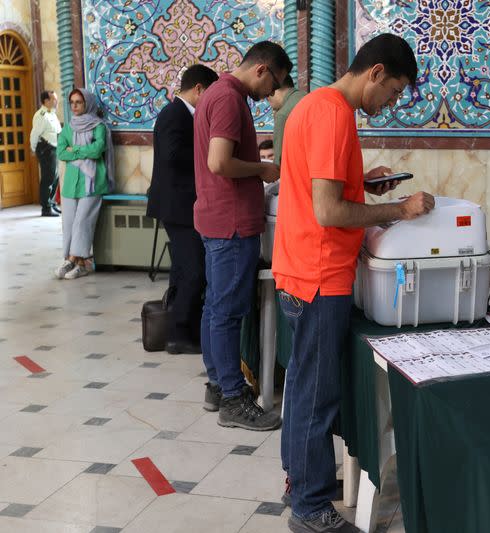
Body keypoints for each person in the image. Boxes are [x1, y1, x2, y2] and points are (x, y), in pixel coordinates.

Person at [272, 33, 434, 533]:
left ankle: (297, 481)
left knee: (300, 389)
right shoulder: (334, 113)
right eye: (395, 91)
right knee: (317, 397)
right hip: (320, 275)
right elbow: (328, 210)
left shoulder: (313, 104)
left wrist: (365, 183)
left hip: (300, 267)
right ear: (376, 73)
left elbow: (320, 186)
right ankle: (312, 508)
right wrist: (399, 210)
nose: (392, 103)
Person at [194, 41, 290, 429]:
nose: (273, 94)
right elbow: (219, 162)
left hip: (215, 218)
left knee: (215, 308)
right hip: (231, 224)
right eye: (275, 84)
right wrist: (262, 170)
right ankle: (233, 399)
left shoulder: (214, 93)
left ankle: (218, 385)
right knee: (228, 313)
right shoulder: (231, 98)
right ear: (262, 69)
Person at [147, 64, 219, 355]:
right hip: (178, 206)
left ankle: (180, 330)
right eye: (210, 94)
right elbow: (172, 154)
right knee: (194, 271)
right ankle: (179, 334)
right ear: (199, 89)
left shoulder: (184, 114)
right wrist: (209, 155)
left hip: (181, 204)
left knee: (182, 269)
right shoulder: (173, 114)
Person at [55, 88, 115, 280]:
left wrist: (75, 150)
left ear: (87, 103)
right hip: (71, 184)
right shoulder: (68, 127)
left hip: (92, 183)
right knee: (69, 224)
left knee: (82, 223)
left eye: (78, 102)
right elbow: (61, 152)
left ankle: (72, 259)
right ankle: (79, 263)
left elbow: (97, 150)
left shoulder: (98, 126)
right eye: (72, 102)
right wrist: (83, 151)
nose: (74, 106)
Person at [30, 90, 62, 217]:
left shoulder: (52, 114)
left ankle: (52, 203)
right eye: (54, 99)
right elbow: (35, 134)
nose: (56, 101)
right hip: (46, 149)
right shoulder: (41, 115)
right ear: (46, 101)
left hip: (55, 148)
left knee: (55, 177)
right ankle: (46, 208)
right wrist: (33, 149)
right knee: (48, 177)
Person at [266, 74, 306, 167]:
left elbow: (279, 162)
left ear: (272, 91)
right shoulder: (307, 96)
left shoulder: (283, 115)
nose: (266, 98)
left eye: (267, 94)